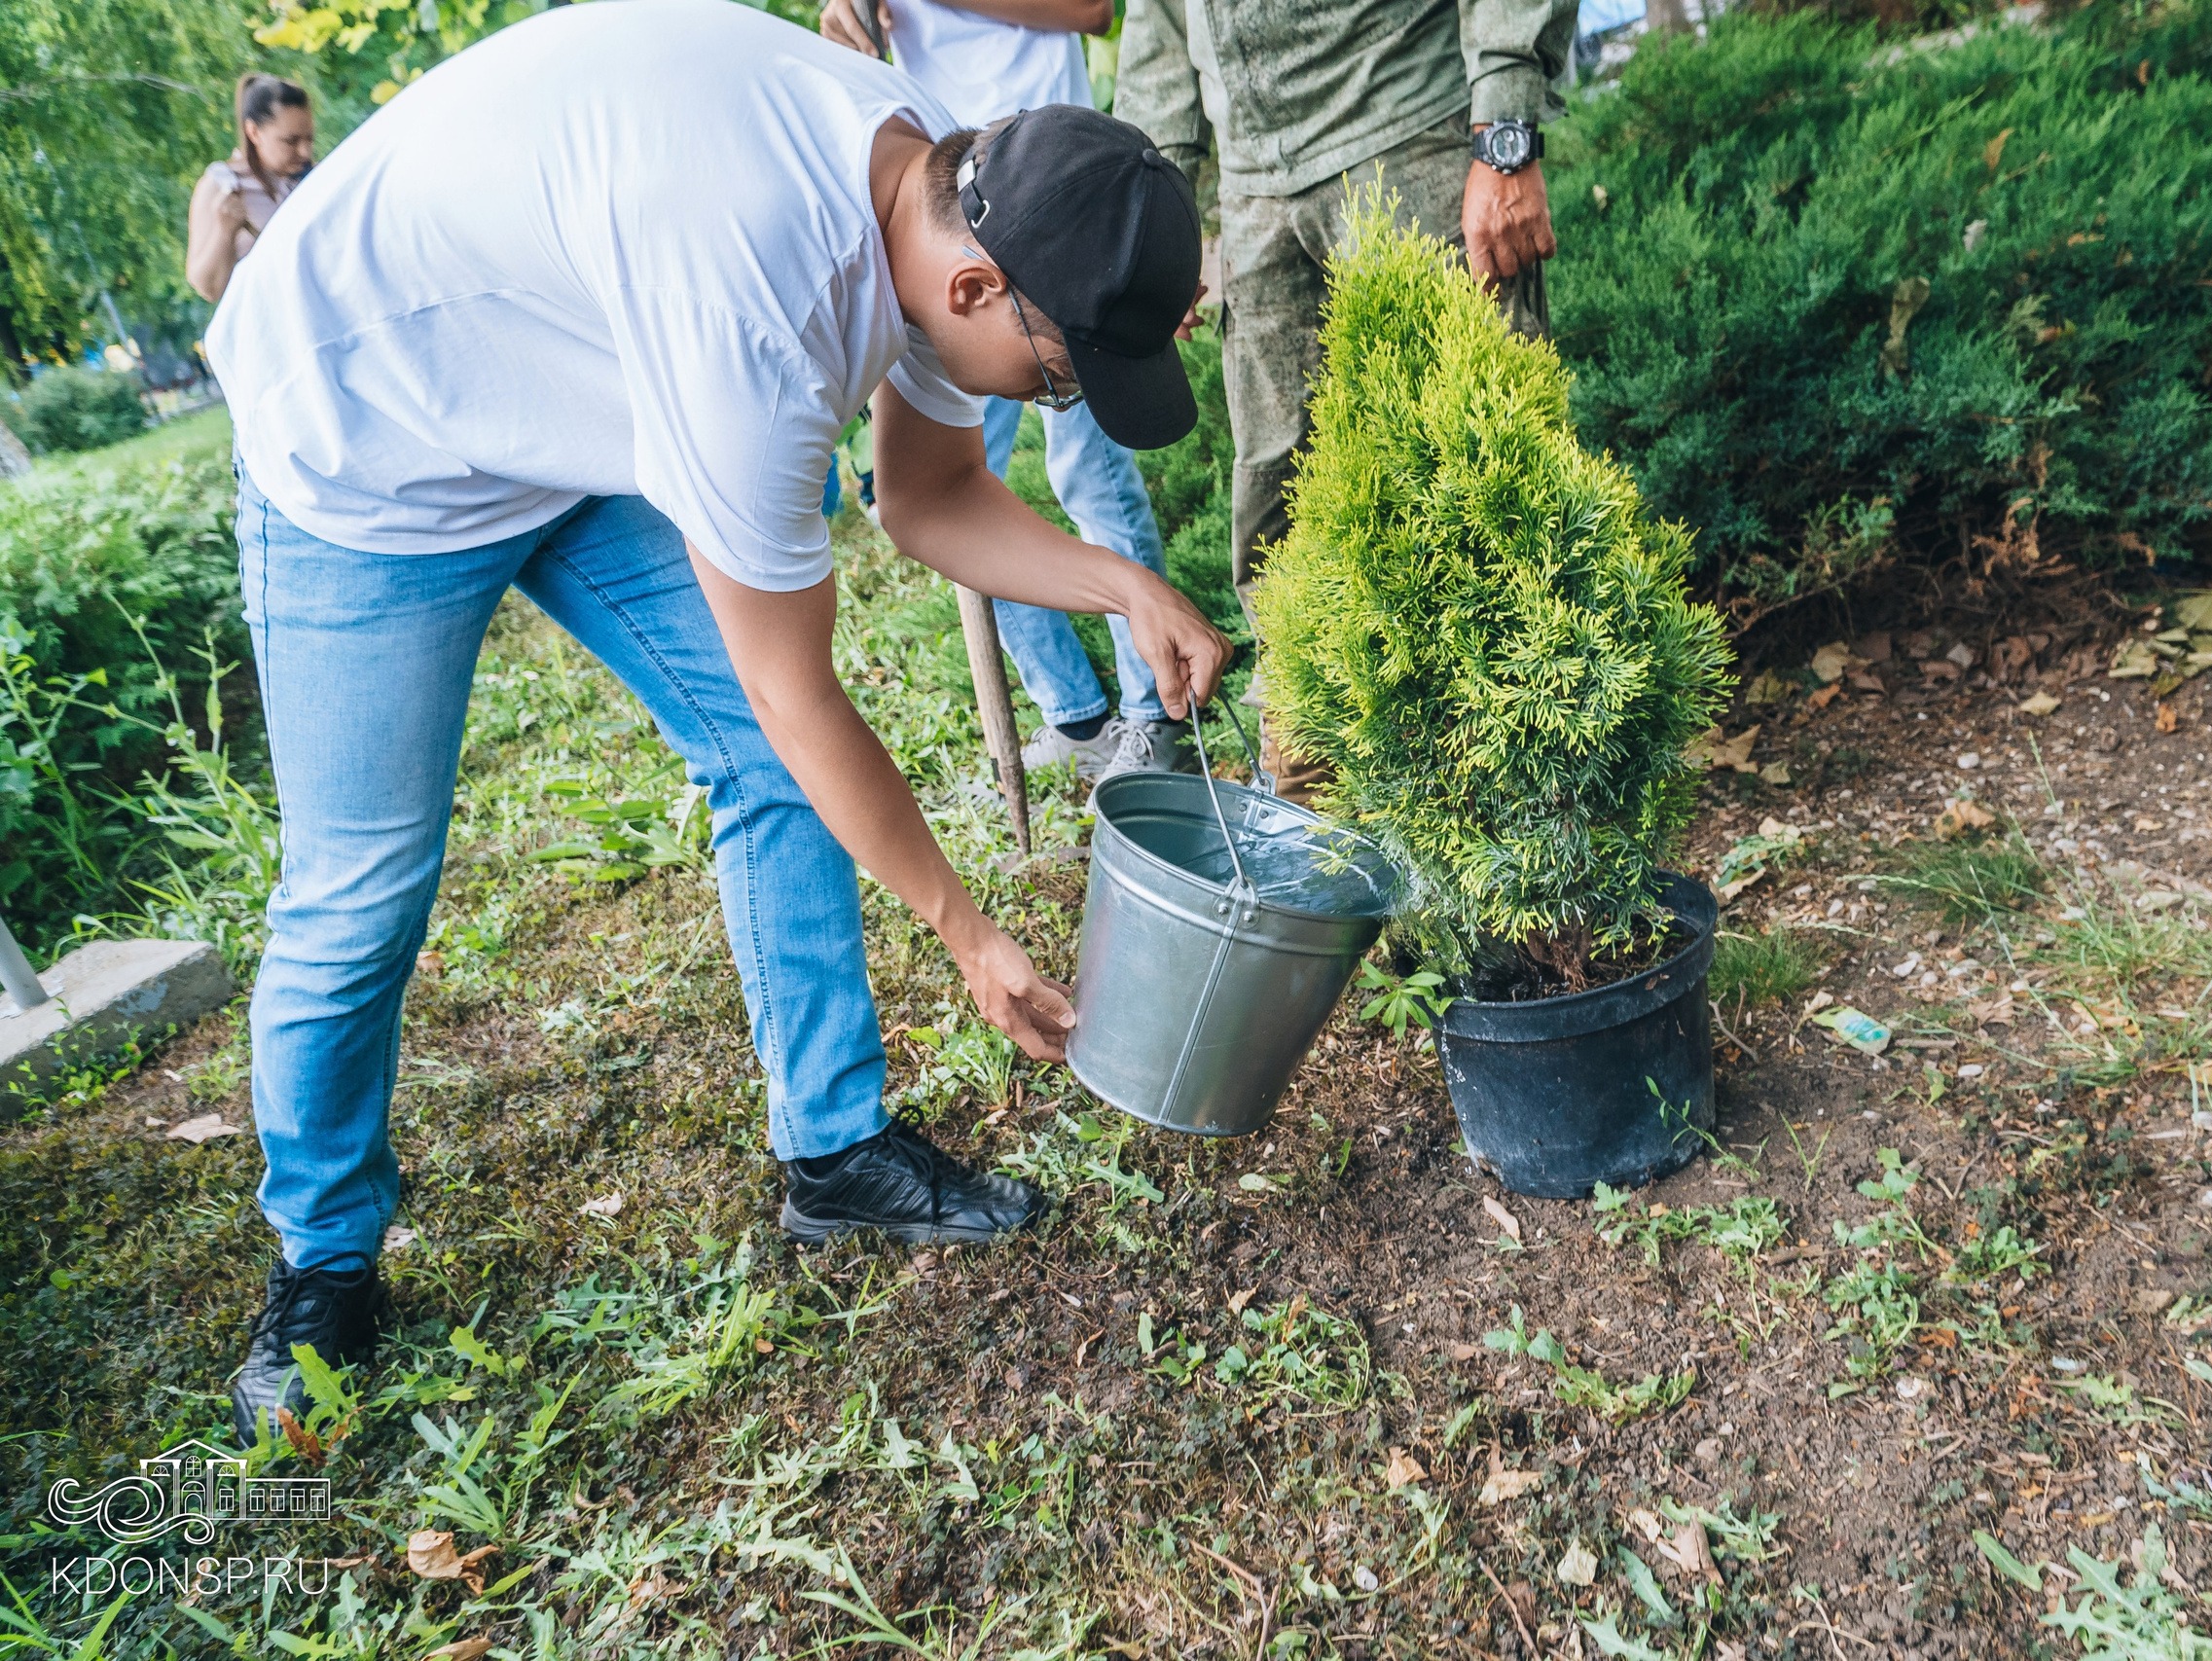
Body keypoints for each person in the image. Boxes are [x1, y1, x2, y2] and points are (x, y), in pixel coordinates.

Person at [205, 0, 1225, 1442]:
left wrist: (1119, 582)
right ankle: (322, 1259)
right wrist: (967, 931)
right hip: (368, 434)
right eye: (1061, 375)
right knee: (362, 884)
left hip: (580, 389)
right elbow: (794, 687)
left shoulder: (934, 193)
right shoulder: (753, 306)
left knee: (764, 770)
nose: (1058, 398)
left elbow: (925, 498)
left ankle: (835, 1147)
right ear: (985, 287)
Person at [1115, 0, 1574, 800]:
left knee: (1483, 490)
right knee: (1278, 505)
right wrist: (1156, 211)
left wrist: (1505, 132)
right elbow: (1158, 21)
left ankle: (1533, 814)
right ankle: (1320, 830)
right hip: (1256, 185)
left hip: (1406, 129)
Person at [823, 0, 1186, 786]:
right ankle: (1075, 715)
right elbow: (935, 501)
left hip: (1058, 213)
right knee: (965, 488)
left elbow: (1095, 9)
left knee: (1089, 470)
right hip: (933, 213)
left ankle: (1152, 712)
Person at [186, 74, 316, 304]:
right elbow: (208, 289)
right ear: (254, 132)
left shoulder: (312, 178)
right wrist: (225, 233)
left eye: (309, 139)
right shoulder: (221, 186)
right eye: (290, 141)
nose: (304, 152)